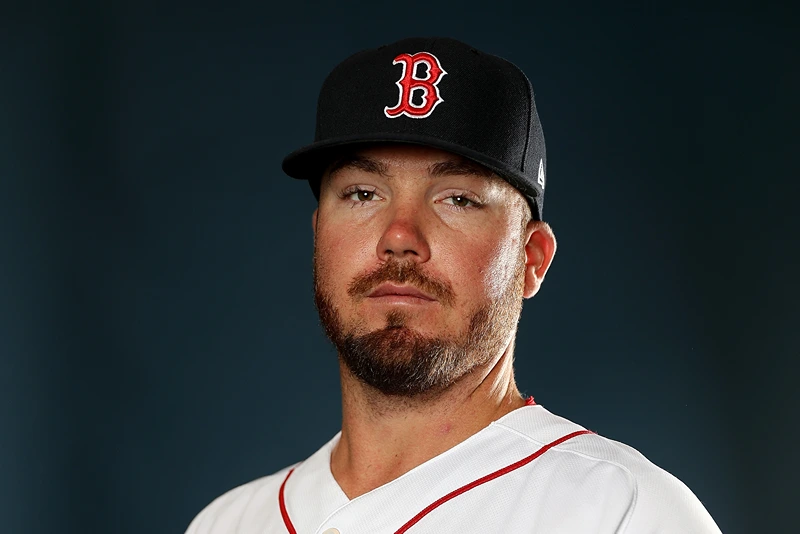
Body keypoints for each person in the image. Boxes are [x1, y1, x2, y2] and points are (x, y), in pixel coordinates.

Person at [185, 37, 721, 534]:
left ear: (531, 260)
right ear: (319, 235)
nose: (398, 237)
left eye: (457, 199)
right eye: (362, 193)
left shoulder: (625, 513)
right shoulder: (226, 523)